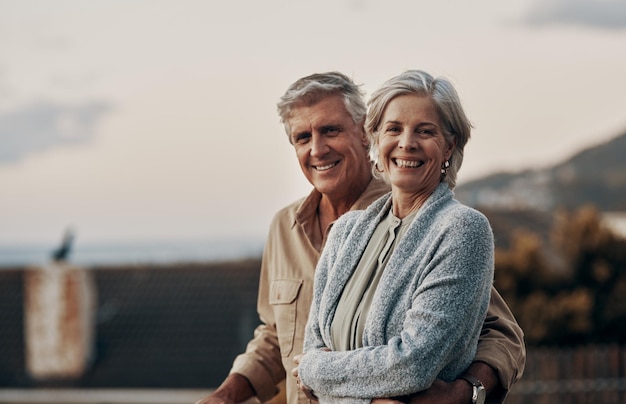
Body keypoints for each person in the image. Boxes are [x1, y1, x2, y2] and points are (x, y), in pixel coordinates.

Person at [195, 72, 525, 404]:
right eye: (302, 138)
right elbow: (278, 336)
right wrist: (225, 396)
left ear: (364, 134)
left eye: (330, 131)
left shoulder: (442, 227)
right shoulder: (287, 227)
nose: (318, 149)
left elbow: (498, 333)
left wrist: (464, 393)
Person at [293, 69, 496, 403]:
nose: (407, 143)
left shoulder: (463, 231)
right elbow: (312, 354)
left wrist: (321, 374)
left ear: (448, 146)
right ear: (375, 140)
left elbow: (412, 365)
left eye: (425, 131)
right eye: (394, 129)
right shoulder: (345, 232)